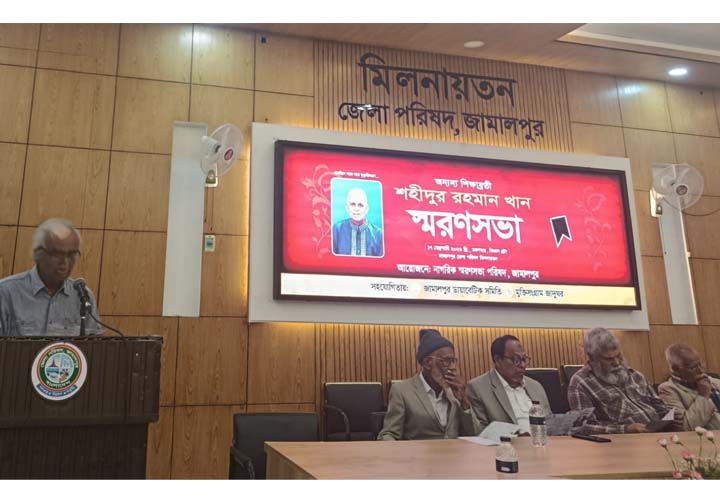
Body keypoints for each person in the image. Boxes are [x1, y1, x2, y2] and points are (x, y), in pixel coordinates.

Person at [0, 218, 102, 336]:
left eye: (72, 254)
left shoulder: (83, 296)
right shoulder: (5, 292)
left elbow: (94, 344)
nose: (65, 262)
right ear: (38, 253)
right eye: (57, 254)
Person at [378, 328, 480, 440]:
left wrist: (464, 401)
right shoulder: (402, 391)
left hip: (455, 451)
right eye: (446, 361)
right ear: (427, 363)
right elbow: (389, 434)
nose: (452, 367)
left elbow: (475, 434)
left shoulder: (457, 390)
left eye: (453, 361)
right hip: (417, 451)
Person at [567, 327, 672, 434]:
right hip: (625, 440)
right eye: (609, 359)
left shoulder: (635, 375)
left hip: (659, 434)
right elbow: (582, 427)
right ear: (592, 357)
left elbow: (660, 408)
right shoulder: (580, 383)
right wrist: (626, 429)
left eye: (618, 356)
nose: (617, 363)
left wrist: (671, 417)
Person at [466, 334, 552, 433]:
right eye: (516, 360)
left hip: (542, 440)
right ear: (498, 360)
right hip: (508, 442)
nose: (523, 365)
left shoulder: (536, 386)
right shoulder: (478, 388)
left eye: (524, 359)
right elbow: (480, 431)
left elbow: (550, 423)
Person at [658, 343, 720, 431]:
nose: (701, 370)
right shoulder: (668, 390)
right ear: (675, 369)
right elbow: (686, 426)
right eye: (692, 367)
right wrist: (703, 396)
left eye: (700, 364)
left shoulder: (716, 382)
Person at [332, 187, 383, 257]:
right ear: (347, 208)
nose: (356, 209)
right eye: (353, 204)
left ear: (367, 209)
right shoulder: (337, 230)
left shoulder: (378, 234)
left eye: (360, 205)